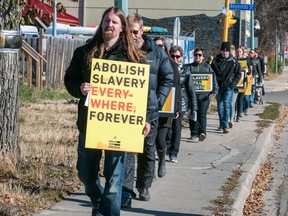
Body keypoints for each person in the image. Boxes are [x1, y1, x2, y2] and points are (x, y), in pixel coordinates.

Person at [64, 7, 148, 216]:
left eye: (114, 22)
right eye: (106, 21)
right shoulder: (84, 52)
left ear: (122, 28)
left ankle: (108, 212)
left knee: (115, 178)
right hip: (89, 123)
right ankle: (97, 199)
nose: (109, 25)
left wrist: (145, 119)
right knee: (85, 173)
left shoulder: (133, 57)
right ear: (101, 24)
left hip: (119, 125)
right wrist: (80, 88)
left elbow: (143, 93)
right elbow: (70, 80)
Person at [122, 13, 173, 206]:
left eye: (135, 31)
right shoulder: (121, 50)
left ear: (142, 31)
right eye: (128, 31)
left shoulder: (156, 53)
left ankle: (144, 186)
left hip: (149, 111)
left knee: (147, 151)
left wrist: (157, 101)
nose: (132, 35)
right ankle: (126, 192)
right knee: (127, 152)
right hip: (126, 110)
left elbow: (168, 77)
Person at [153, 36, 182, 177]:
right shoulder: (148, 63)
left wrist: (177, 108)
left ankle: (162, 160)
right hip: (150, 110)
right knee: (148, 143)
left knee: (160, 140)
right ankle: (148, 171)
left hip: (166, 110)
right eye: (156, 46)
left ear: (165, 49)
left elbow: (177, 89)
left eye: (161, 47)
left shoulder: (172, 66)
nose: (158, 49)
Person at [167, 45, 197, 162]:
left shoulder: (186, 71)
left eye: (177, 56)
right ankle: (166, 148)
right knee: (167, 129)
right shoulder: (166, 67)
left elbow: (191, 90)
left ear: (181, 57)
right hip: (167, 102)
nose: (175, 58)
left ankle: (174, 152)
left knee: (176, 128)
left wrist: (193, 108)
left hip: (181, 103)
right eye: (173, 56)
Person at [185, 48, 218, 142]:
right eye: (196, 55)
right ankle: (193, 133)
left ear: (203, 57)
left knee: (202, 114)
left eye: (199, 55)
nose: (197, 57)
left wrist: (215, 90)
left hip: (204, 96)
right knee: (193, 114)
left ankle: (202, 132)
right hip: (192, 97)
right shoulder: (188, 67)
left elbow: (213, 79)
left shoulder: (207, 67)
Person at [211, 41, 241, 134]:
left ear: (229, 52)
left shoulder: (234, 61)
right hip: (219, 86)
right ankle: (221, 124)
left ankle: (225, 125)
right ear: (221, 51)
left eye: (227, 51)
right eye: (223, 51)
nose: (225, 53)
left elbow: (238, 74)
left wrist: (233, 84)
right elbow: (212, 73)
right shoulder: (216, 61)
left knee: (227, 104)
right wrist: (214, 85)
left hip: (229, 87)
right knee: (220, 106)